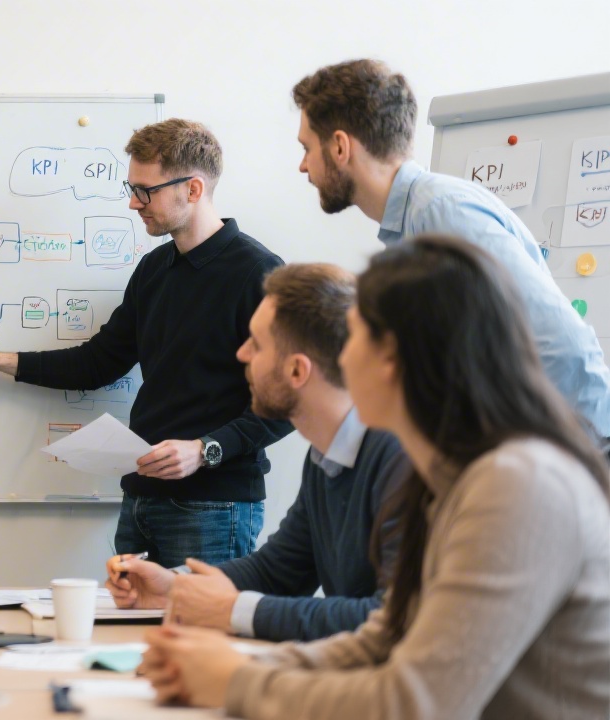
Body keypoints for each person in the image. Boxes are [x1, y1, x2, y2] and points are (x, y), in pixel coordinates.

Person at [140, 235, 610, 719]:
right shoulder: (456, 475)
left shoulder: (518, 485)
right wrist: (233, 668)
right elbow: (388, 633)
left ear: (393, 358)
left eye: (356, 335)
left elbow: (415, 703)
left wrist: (236, 681)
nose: (340, 356)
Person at [0, 119, 292, 568]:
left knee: (203, 616)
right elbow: (98, 363)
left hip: (214, 507)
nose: (133, 202)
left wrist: (205, 450)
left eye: (145, 191)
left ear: (193, 189)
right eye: (132, 188)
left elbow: (291, 399)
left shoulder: (259, 273)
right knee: (128, 616)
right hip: (141, 499)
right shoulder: (154, 270)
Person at [291, 58, 610, 442]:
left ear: (340, 146)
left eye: (307, 147)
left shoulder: (441, 214)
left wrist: (574, 458)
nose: (303, 165)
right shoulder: (415, 223)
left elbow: (563, 345)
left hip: (572, 454)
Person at [106, 263, 407, 642]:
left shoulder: (402, 460)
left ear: (297, 371)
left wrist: (232, 611)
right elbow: (278, 572)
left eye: (257, 344)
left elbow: (393, 619)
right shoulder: (326, 457)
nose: (242, 353)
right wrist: (174, 587)